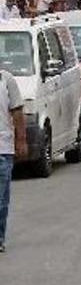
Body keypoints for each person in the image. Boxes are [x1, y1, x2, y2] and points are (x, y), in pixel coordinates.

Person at [0, 68, 26, 253]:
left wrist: (21, 140)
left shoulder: (6, 79)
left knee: (1, 198)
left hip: (3, 147)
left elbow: (17, 111)